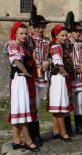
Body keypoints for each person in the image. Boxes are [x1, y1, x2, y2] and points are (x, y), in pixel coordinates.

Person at [4, 4, 50, 147]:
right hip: (28, 78)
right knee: (28, 106)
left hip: (39, 77)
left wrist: (47, 60)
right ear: (33, 27)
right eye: (37, 27)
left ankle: (25, 137)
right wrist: (9, 42)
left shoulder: (47, 41)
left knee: (33, 107)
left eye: (42, 27)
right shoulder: (28, 39)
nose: (40, 29)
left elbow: (51, 52)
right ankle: (32, 137)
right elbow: (13, 47)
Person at [7, 22, 40, 152]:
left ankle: (16, 140)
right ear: (15, 34)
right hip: (19, 79)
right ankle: (28, 140)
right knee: (22, 109)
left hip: (22, 80)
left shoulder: (23, 45)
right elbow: (15, 61)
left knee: (18, 109)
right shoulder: (13, 46)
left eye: (26, 33)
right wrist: (26, 72)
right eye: (21, 33)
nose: (24, 36)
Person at [63, 11, 82, 136]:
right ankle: (67, 128)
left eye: (79, 31)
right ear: (71, 32)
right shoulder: (65, 44)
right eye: (75, 31)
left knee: (79, 103)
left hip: (80, 77)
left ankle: (79, 127)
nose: (78, 33)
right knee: (68, 102)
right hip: (69, 77)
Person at [47, 25, 74, 142]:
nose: (64, 38)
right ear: (56, 35)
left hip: (56, 77)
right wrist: (65, 73)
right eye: (62, 35)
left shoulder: (56, 46)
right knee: (60, 105)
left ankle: (56, 130)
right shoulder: (57, 47)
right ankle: (63, 132)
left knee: (56, 105)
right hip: (59, 77)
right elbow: (58, 62)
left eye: (65, 36)